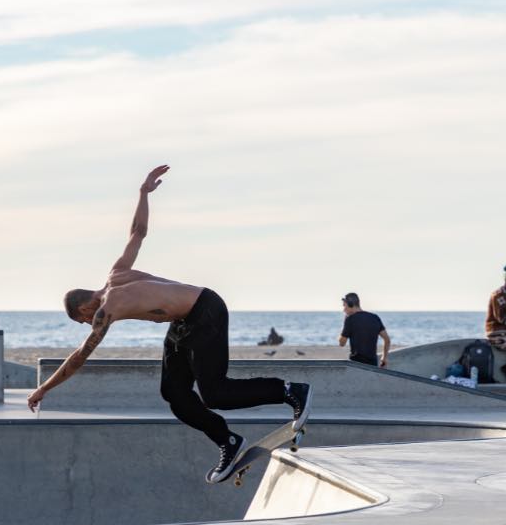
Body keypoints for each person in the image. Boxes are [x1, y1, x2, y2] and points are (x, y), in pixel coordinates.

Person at [28, 166, 308, 482]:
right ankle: (227, 440)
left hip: (206, 311)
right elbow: (137, 232)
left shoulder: (108, 306)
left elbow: (80, 357)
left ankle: (289, 391)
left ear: (82, 307)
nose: (87, 325)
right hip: (183, 324)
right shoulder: (116, 273)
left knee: (215, 394)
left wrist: (43, 388)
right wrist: (143, 193)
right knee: (174, 393)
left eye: (82, 319)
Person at [338, 292, 389, 368]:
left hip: (356, 366)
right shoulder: (375, 317)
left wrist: (345, 322)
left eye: (344, 306)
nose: (343, 310)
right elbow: (387, 339)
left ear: (351, 304)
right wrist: (384, 357)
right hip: (373, 365)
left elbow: (341, 343)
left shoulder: (350, 320)